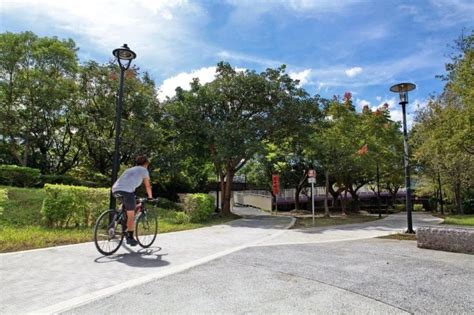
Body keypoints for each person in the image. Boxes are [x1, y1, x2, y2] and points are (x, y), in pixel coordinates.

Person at [112, 155, 153, 246]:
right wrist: (150, 197)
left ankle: (120, 217)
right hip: (127, 192)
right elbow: (147, 186)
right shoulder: (144, 170)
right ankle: (130, 238)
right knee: (131, 215)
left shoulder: (129, 170)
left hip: (115, 190)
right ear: (145, 164)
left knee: (128, 203)